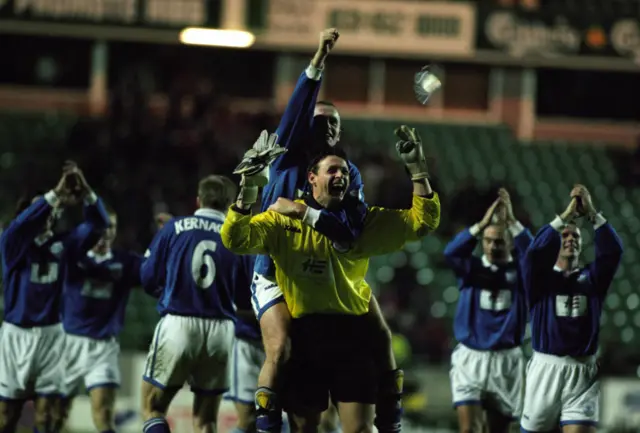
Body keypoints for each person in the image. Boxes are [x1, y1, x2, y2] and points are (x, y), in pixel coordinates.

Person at [221, 125, 440, 433]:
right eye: (333, 170)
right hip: (305, 337)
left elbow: (424, 221)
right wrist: (247, 190)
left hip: (352, 337)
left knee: (360, 429)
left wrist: (417, 170)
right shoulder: (281, 222)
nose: (341, 176)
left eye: (346, 172)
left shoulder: (363, 224)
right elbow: (235, 239)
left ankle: (391, 413)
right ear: (311, 178)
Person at [240, 27, 402, 433]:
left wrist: (303, 212)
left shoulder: (349, 175)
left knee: (381, 335)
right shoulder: (284, 158)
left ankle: (390, 418)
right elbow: (297, 108)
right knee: (282, 347)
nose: (328, 128)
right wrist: (318, 59)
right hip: (276, 270)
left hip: (326, 274)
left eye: (335, 124)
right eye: (321, 120)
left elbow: (351, 229)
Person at [0, 161, 109, 433]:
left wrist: (87, 194)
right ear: (28, 214)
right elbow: (21, 225)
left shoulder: (66, 244)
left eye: (51, 210)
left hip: (52, 335)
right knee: (6, 416)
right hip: (16, 336)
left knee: (47, 418)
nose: (49, 213)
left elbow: (99, 225)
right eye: (41, 209)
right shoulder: (12, 243)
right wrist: (55, 195)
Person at [139, 175, 250, 433]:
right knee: (206, 420)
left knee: (152, 405)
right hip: (221, 330)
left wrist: (172, 287)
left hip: (179, 323)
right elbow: (246, 298)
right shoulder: (239, 237)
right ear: (230, 203)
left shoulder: (175, 227)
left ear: (198, 200)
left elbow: (147, 278)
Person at [520, 184, 623, 433]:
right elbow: (533, 253)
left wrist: (592, 214)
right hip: (546, 369)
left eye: (575, 236)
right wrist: (564, 217)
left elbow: (613, 251)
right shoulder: (539, 279)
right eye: (564, 235)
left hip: (584, 373)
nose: (570, 240)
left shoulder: (593, 278)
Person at [444, 188, 532, 433]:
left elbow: (536, 255)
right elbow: (451, 251)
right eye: (488, 240)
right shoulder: (470, 269)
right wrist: (481, 224)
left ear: (511, 243)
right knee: (469, 429)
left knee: (499, 430)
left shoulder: (523, 274)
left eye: (499, 241)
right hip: (471, 357)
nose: (493, 246)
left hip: (506, 360)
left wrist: (513, 223)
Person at [58, 204, 144, 433]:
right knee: (54, 415)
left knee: (103, 414)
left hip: (103, 348)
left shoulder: (126, 262)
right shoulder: (71, 257)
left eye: (111, 227)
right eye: (101, 226)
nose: (106, 232)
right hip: (67, 343)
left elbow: (153, 275)